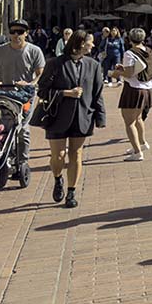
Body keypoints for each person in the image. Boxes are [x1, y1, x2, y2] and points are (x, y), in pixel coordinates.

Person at [36, 31, 105, 208]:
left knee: (76, 154)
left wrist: (100, 117)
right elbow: (42, 90)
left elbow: (97, 93)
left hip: (82, 116)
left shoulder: (94, 65)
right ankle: (58, 178)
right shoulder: (55, 63)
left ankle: (71, 192)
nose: (93, 45)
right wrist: (65, 93)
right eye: (90, 42)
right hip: (57, 116)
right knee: (58, 156)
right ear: (81, 43)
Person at [0, 17, 46, 160]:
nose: (16, 35)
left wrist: (31, 83)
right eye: (13, 32)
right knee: (1, 127)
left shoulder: (34, 51)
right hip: (3, 95)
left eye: (20, 32)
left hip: (25, 96)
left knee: (22, 128)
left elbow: (40, 74)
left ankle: (22, 160)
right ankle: (3, 157)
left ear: (26, 33)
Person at [112, 28, 152, 161]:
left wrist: (117, 72)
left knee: (129, 121)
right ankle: (141, 144)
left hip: (133, 88)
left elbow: (130, 73)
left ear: (130, 39)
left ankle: (137, 152)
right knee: (138, 119)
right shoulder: (148, 50)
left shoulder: (129, 53)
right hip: (147, 87)